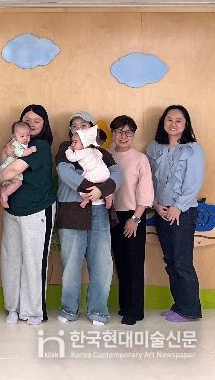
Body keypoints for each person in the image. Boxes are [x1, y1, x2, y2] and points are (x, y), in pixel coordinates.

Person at [55, 111, 122, 326]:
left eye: (84, 125)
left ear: (91, 129)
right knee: (71, 264)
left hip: (100, 212)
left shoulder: (102, 152)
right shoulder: (66, 149)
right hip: (71, 211)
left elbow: (117, 174)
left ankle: (98, 312)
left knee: (102, 263)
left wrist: (101, 191)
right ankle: (68, 310)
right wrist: (90, 189)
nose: (79, 128)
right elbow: (65, 171)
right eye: (75, 126)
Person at [0, 105, 56, 326]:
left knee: (34, 262)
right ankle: (13, 307)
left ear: (44, 125)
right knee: (11, 259)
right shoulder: (15, 144)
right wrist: (6, 153)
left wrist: (0, 177)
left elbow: (8, 172)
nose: (31, 124)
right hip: (13, 210)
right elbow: (0, 163)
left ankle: (34, 311)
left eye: (36, 121)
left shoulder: (39, 146)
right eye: (27, 119)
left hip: (37, 210)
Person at [147, 105, 204, 322]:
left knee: (182, 262)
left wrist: (178, 206)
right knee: (170, 261)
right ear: (163, 122)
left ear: (186, 124)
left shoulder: (193, 149)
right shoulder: (154, 147)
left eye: (178, 120)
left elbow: (194, 182)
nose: (173, 124)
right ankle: (179, 305)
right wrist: (155, 204)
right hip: (161, 211)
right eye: (169, 119)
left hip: (182, 212)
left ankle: (190, 310)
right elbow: (148, 179)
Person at [109, 115, 154, 326]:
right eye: (119, 131)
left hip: (133, 215)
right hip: (111, 215)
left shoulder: (140, 159)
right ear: (113, 133)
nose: (123, 136)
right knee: (120, 262)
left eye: (128, 132)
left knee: (134, 263)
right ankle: (125, 305)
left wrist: (135, 218)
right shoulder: (106, 156)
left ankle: (135, 310)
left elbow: (145, 192)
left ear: (133, 135)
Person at [65, 125, 113, 209]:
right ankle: (108, 195)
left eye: (75, 142)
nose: (72, 144)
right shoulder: (95, 150)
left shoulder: (82, 152)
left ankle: (85, 197)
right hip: (105, 173)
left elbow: (71, 158)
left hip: (93, 175)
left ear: (84, 143)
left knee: (81, 182)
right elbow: (100, 156)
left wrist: (69, 150)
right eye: (72, 142)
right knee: (103, 184)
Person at [0, 121, 37, 209]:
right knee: (18, 183)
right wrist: (31, 150)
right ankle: (5, 194)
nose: (25, 138)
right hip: (7, 168)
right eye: (22, 136)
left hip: (5, 168)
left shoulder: (20, 143)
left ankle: (3, 198)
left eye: (28, 135)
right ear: (14, 136)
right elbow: (21, 153)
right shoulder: (15, 144)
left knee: (6, 185)